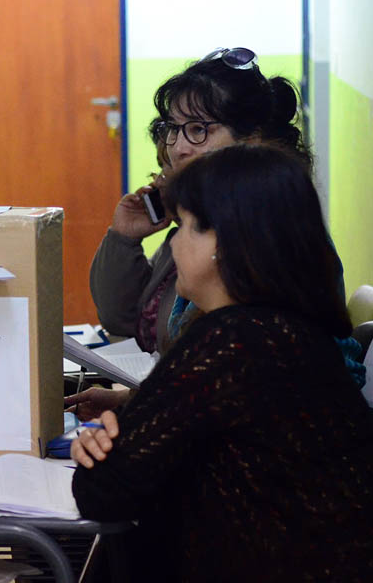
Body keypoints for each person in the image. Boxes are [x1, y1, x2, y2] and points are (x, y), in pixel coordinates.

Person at [62, 145, 373, 583]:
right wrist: (125, 442)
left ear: (225, 245)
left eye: (187, 227)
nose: (176, 243)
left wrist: (100, 447)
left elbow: (104, 492)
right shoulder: (287, 324)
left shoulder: (232, 339)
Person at [89, 47, 309, 355]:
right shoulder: (193, 226)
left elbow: (231, 374)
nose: (179, 148)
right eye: (174, 131)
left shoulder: (266, 238)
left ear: (252, 140)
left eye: (197, 130)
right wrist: (124, 239)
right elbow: (122, 319)